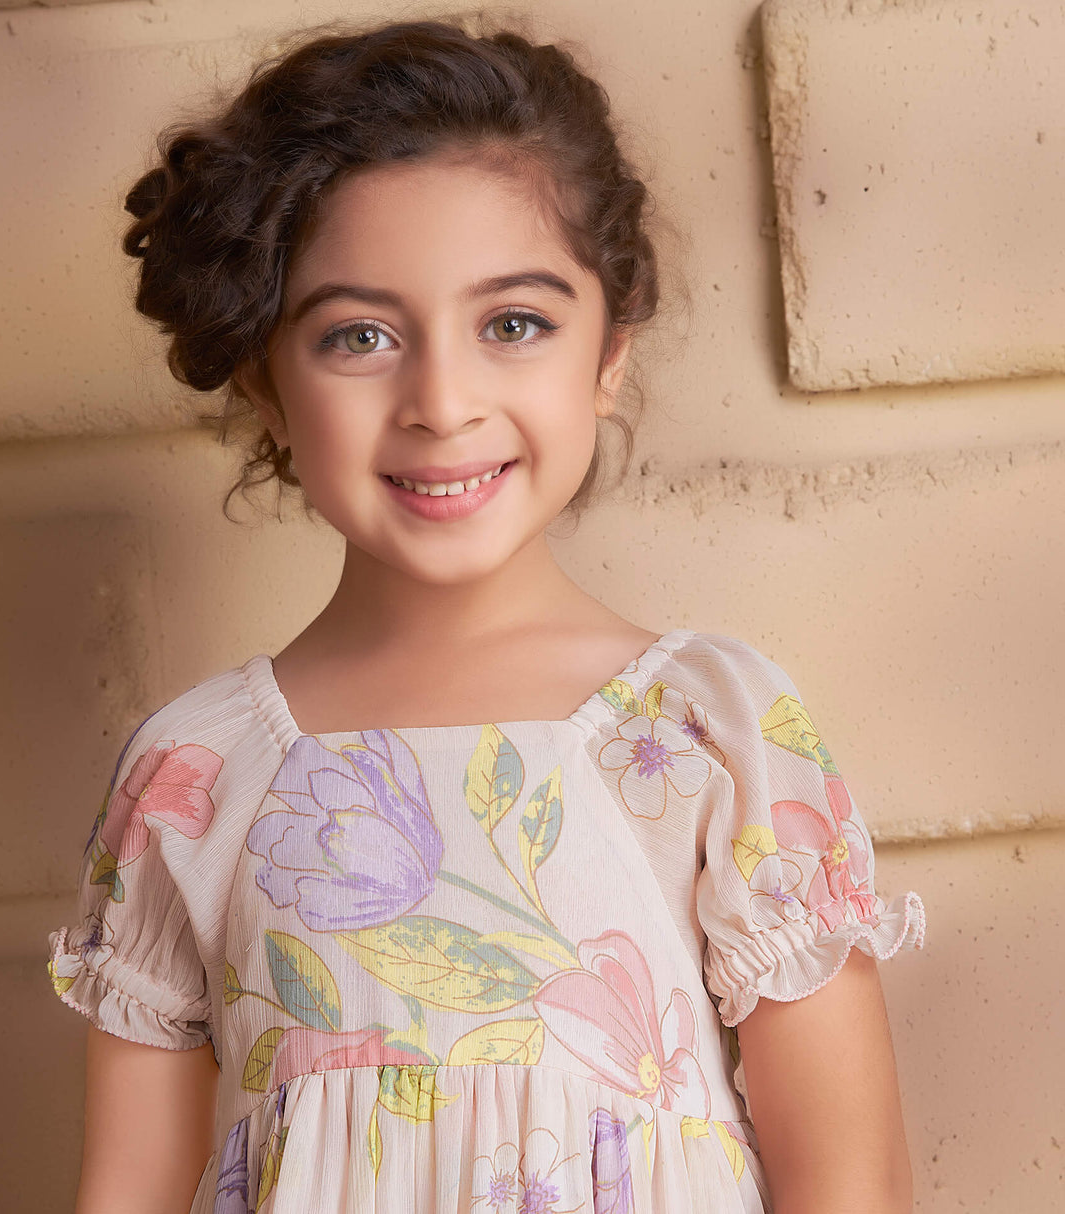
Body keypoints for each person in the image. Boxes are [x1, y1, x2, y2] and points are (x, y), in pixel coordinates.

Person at [46, 16, 926, 1214]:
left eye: (512, 323)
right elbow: (126, 1190)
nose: (441, 403)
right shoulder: (192, 774)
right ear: (263, 376)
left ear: (608, 348)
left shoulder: (709, 732)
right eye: (359, 335)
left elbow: (850, 1182)